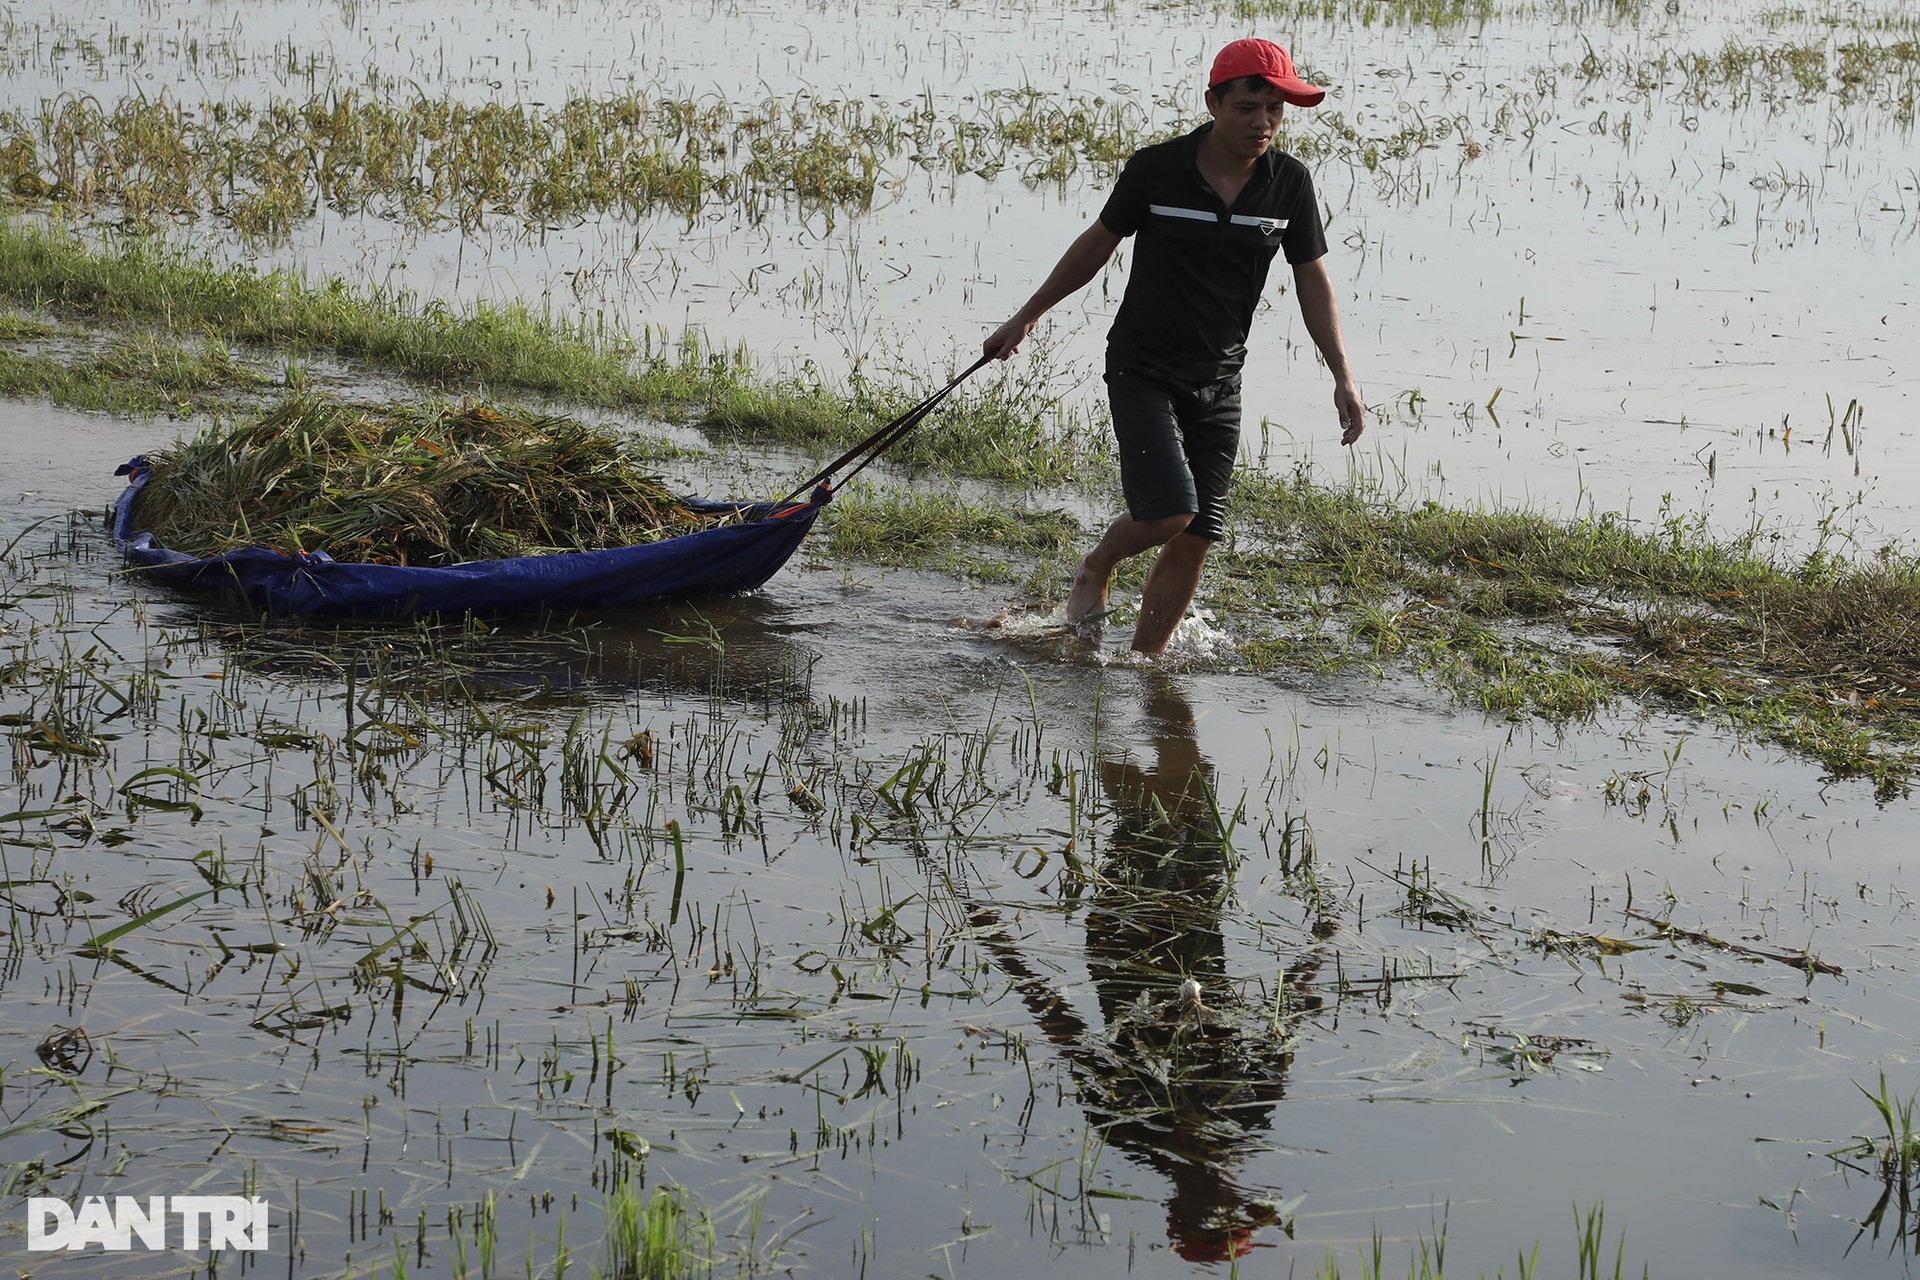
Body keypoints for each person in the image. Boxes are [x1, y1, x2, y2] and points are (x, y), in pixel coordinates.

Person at [982, 37, 1366, 655]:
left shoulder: (1289, 184)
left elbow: (1312, 280)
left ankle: (1143, 665)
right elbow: (1097, 243)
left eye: (1275, 110)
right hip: (1143, 366)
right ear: (1214, 101)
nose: (1262, 122)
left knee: (1199, 532)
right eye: (1248, 106)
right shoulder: (1157, 169)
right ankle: (1097, 565)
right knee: (1170, 511)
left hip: (1220, 376)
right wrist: (1027, 316)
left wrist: (1342, 375)